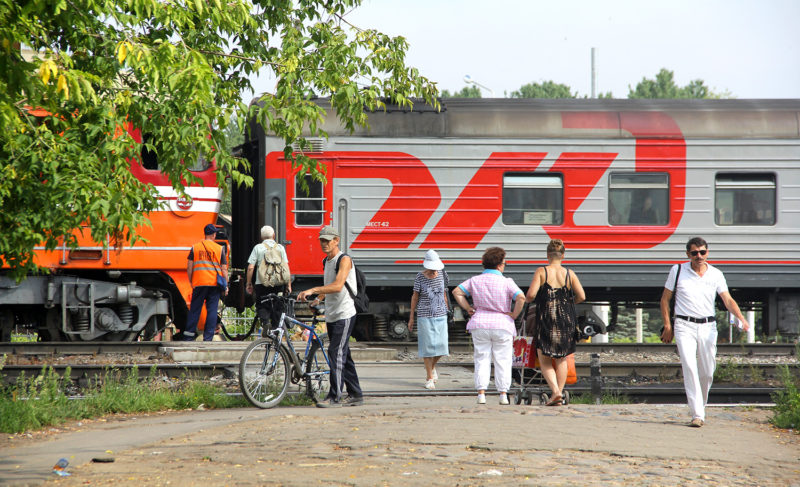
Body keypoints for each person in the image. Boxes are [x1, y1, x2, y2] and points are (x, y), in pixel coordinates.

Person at [660, 237, 750, 428]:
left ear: (707, 253)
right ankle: (697, 414)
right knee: (690, 367)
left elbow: (727, 299)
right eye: (694, 253)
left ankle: (700, 406)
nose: (698, 256)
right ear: (688, 254)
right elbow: (664, 300)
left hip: (708, 326)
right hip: (684, 325)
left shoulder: (716, 274)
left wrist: (741, 318)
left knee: (708, 372)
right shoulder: (677, 270)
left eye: (702, 252)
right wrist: (668, 325)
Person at [298, 225, 363, 408]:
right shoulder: (326, 261)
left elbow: (337, 285)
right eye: (322, 240)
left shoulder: (344, 260)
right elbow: (329, 286)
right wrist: (318, 299)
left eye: (328, 240)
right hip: (333, 313)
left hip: (345, 313)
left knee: (335, 352)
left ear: (336, 241)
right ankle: (356, 394)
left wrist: (313, 289)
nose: (324, 244)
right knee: (344, 354)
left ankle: (334, 397)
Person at [452, 247, 525, 405]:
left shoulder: (475, 280)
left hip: (480, 324)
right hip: (502, 325)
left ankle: (481, 394)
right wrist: (513, 314)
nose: (505, 266)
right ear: (499, 265)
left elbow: (457, 292)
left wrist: (467, 308)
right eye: (504, 263)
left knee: (481, 358)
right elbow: (521, 298)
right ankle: (503, 395)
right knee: (503, 360)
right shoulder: (507, 282)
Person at [525, 239, 586, 406]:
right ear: (563, 256)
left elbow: (530, 295)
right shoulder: (569, 273)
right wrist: (566, 302)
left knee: (544, 359)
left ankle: (556, 392)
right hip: (566, 320)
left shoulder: (542, 271)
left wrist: (531, 300)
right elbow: (582, 296)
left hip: (546, 319)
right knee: (562, 358)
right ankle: (557, 394)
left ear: (547, 256)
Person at [407, 250, 450, 390]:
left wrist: (448, 310)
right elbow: (415, 297)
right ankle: (429, 377)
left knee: (442, 348)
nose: (433, 271)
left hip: (441, 314)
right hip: (424, 315)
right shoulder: (420, 277)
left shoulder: (443, 274)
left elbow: (444, 294)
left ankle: (431, 368)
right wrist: (411, 317)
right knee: (427, 347)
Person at [183, 224, 228, 341]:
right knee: (212, 310)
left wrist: (191, 281)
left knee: (195, 309)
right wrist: (226, 285)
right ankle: (208, 337)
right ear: (213, 235)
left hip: (199, 283)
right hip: (214, 284)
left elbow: (189, 267)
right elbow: (224, 269)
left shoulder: (195, 247)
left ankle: (188, 336)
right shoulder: (219, 249)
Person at [245, 225, 291, 330]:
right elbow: (286, 267)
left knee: (261, 304)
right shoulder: (280, 248)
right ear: (273, 235)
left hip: (261, 283)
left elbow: (251, 267)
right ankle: (276, 330)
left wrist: (248, 283)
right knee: (278, 305)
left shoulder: (258, 248)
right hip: (279, 283)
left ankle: (265, 323)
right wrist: (288, 285)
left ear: (261, 237)